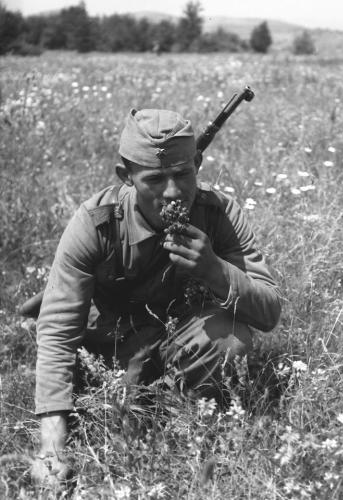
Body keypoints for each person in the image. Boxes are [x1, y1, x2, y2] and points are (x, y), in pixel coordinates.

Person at [31, 108, 282, 487]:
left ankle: (190, 417)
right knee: (98, 379)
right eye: (155, 179)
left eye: (183, 174)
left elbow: (268, 311)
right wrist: (52, 450)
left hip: (185, 334)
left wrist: (214, 270)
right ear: (125, 177)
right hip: (118, 341)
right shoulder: (95, 224)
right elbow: (58, 332)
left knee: (231, 338)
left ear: (197, 163)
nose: (173, 191)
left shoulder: (220, 214)